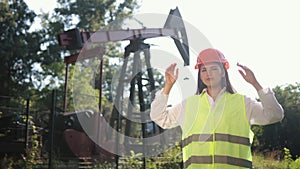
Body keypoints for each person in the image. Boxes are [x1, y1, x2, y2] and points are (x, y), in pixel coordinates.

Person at [150, 48, 284, 169]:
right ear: (200, 75)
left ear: (223, 73)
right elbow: (159, 117)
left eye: (213, 68)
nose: (208, 73)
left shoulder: (243, 103)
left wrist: (256, 84)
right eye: (203, 69)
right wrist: (168, 86)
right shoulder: (189, 105)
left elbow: (275, 114)